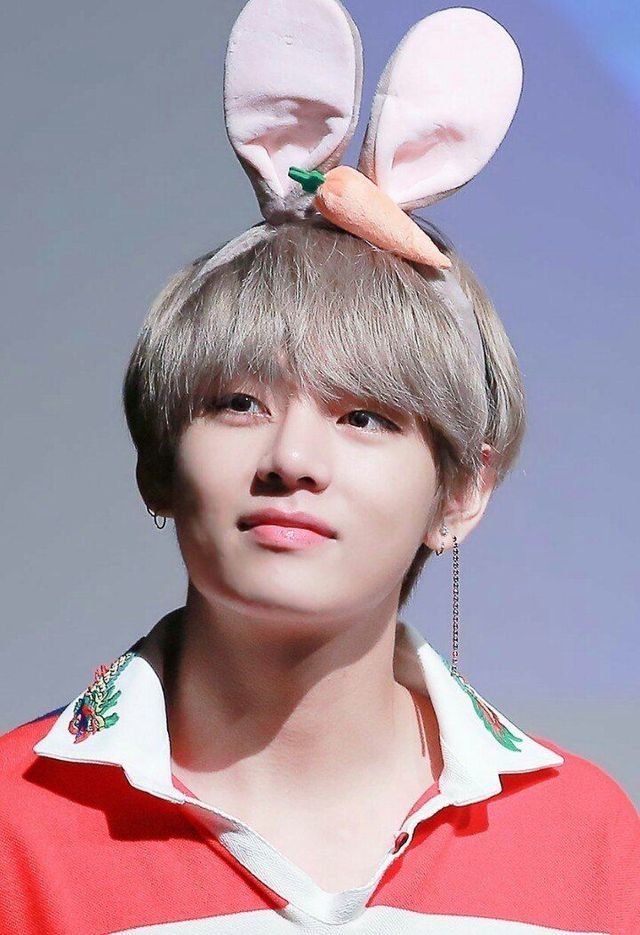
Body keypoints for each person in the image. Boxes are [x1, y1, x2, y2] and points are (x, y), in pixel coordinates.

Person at [1, 1, 638, 933]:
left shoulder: (587, 838)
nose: (292, 459)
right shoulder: (15, 824)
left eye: (365, 417)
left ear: (463, 491)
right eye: (238, 402)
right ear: (158, 458)